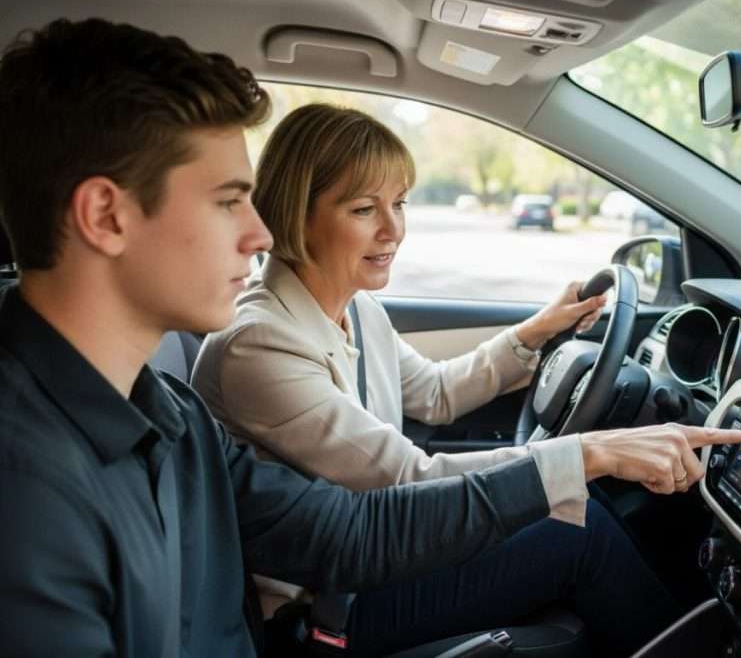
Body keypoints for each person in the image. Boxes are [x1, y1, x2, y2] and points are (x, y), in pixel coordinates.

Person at [0, 18, 741, 657]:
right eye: (230, 201)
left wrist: (586, 453)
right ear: (106, 216)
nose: (259, 233)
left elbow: (350, 531)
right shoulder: (28, 491)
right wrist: (579, 460)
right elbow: (387, 495)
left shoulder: (168, 411)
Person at [189, 103, 700, 651]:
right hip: (324, 607)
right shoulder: (260, 343)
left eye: (400, 204)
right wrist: (588, 454)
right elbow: (408, 477)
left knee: (580, 517)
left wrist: (534, 332)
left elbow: (433, 394)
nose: (394, 230)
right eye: (365, 209)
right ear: (296, 214)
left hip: (373, 559)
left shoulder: (356, 309)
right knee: (581, 533)